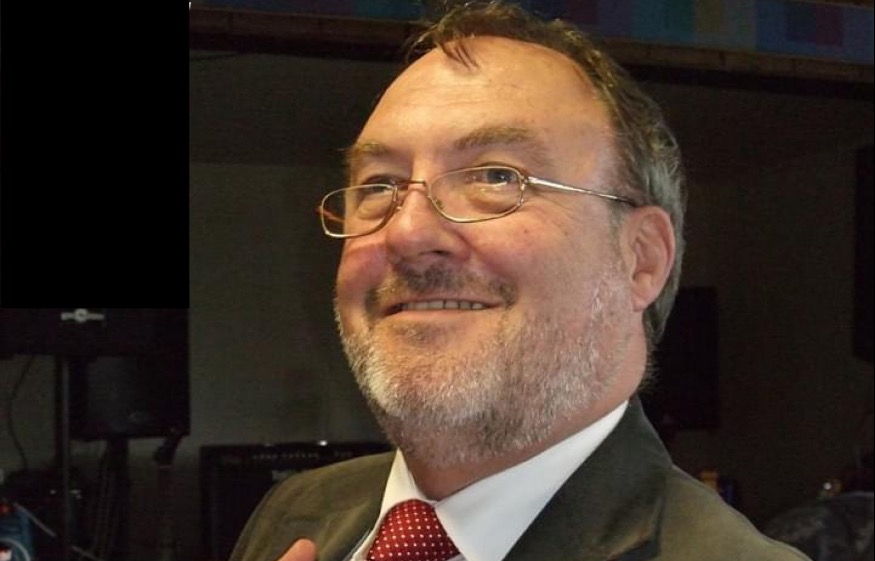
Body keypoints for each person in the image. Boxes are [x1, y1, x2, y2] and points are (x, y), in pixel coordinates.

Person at [230, 2, 810, 560]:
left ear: (641, 261)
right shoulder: (294, 512)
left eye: (496, 177)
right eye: (379, 185)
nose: (406, 232)